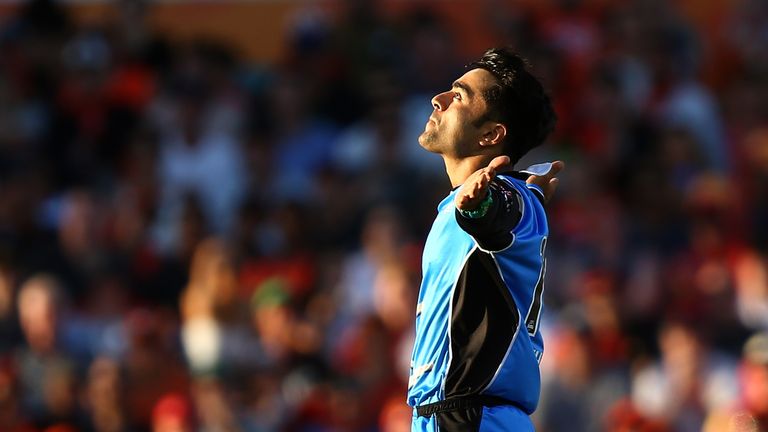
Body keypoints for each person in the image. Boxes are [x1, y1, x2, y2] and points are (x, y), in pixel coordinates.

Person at [407, 47, 562, 431]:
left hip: (474, 417)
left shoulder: (510, 196)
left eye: (458, 96)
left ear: (491, 135)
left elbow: (497, 214)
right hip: (447, 416)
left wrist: (480, 206)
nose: (438, 99)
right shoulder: (459, 204)